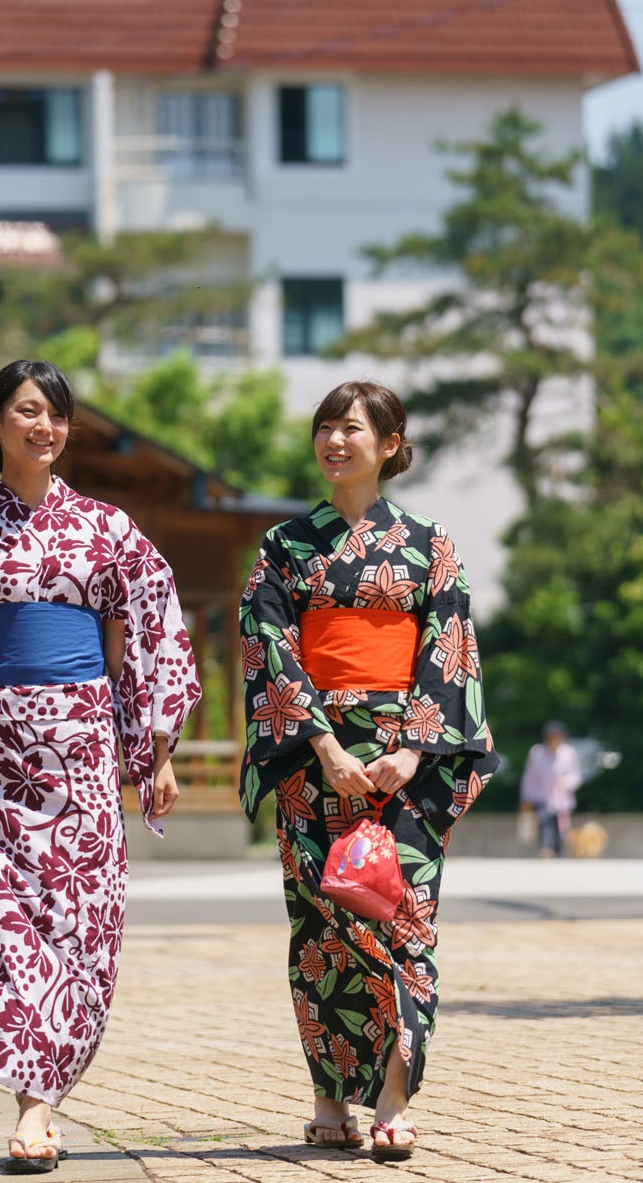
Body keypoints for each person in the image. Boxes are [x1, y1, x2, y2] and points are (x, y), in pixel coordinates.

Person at [0, 359, 201, 1175]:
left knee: (85, 925)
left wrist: (157, 749)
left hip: (81, 752)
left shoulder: (104, 528)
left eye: (57, 414)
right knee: (11, 925)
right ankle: (30, 1108)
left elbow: (150, 624)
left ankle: (42, 1100)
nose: (45, 426)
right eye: (28, 411)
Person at [239, 381, 499, 1162]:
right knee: (319, 926)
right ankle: (327, 1101)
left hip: (406, 767)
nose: (333, 440)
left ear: (389, 444)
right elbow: (270, 649)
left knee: (402, 920)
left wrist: (412, 750)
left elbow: (449, 651)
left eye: (351, 428)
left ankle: (390, 1098)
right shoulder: (284, 548)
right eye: (324, 427)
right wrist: (324, 747)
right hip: (313, 763)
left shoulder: (429, 544)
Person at [519, 721, 582, 858]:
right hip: (541, 798)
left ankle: (558, 853)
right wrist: (526, 797)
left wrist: (565, 782)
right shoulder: (537, 752)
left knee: (561, 829)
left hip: (562, 800)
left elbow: (576, 776)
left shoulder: (569, 753)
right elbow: (529, 778)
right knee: (544, 824)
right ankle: (546, 849)